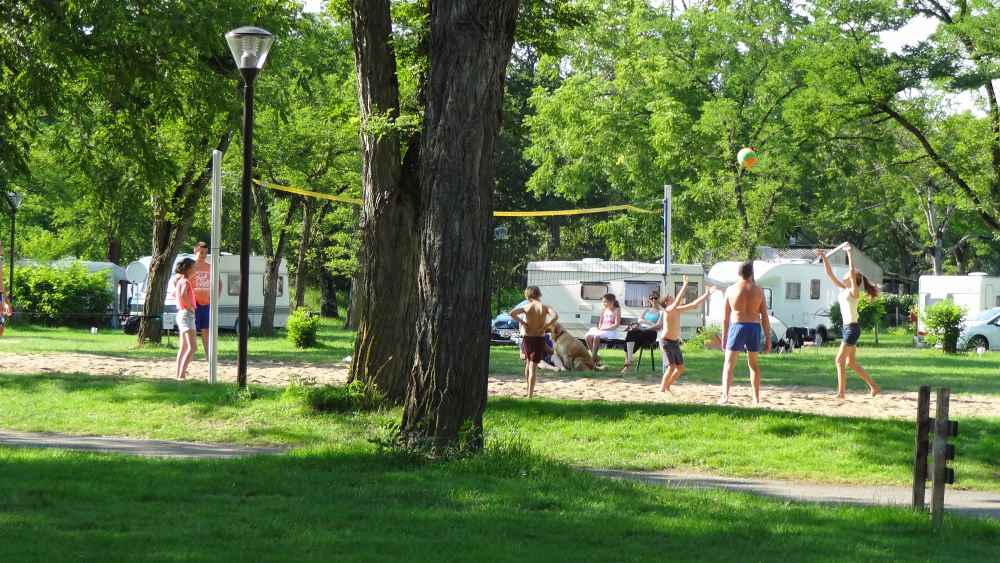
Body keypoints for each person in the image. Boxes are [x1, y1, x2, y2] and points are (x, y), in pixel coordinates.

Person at [817, 245, 881, 398]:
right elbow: (830, 274)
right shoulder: (843, 289)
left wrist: (850, 254)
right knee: (850, 363)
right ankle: (874, 387)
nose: (845, 274)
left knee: (839, 360)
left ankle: (841, 393)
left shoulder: (854, 292)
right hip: (848, 328)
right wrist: (825, 258)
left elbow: (852, 272)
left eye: (849, 275)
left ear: (853, 279)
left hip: (852, 329)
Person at [719, 261, 771, 405]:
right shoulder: (759, 291)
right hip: (754, 327)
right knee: (753, 364)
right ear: (751, 274)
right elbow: (765, 317)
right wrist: (768, 338)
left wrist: (723, 337)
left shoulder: (730, 290)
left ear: (739, 273)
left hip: (738, 326)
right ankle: (756, 398)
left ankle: (725, 396)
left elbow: (725, 318)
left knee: (729, 364)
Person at [660, 276, 717, 392]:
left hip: (674, 342)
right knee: (671, 367)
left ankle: (667, 386)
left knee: (680, 368)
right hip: (666, 341)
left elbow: (694, 304)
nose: (674, 298)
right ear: (667, 302)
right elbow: (677, 301)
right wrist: (685, 284)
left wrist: (707, 294)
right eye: (671, 298)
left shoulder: (677, 309)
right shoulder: (668, 310)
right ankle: (662, 390)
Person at [509, 286, 558, 398]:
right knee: (533, 367)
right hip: (538, 337)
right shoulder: (544, 307)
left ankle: (528, 390)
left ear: (527, 295)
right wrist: (545, 327)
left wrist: (523, 322)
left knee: (528, 364)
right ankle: (530, 395)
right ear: (539, 294)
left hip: (527, 338)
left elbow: (512, 313)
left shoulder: (527, 307)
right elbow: (555, 316)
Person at [621, 292, 662, 373]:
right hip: (642, 329)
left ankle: (628, 362)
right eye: (651, 298)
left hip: (651, 332)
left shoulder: (660, 311)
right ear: (649, 300)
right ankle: (629, 361)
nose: (653, 300)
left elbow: (658, 325)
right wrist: (647, 324)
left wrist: (647, 324)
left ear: (659, 299)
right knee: (630, 333)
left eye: (655, 298)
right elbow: (639, 320)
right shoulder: (646, 310)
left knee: (634, 335)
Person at [173, 258, 198, 381]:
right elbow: (183, 295)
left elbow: (177, 295)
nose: (195, 269)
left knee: (183, 347)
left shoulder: (180, 281)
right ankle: (182, 375)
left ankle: (179, 374)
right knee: (192, 347)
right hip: (186, 314)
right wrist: (190, 308)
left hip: (181, 314)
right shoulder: (186, 282)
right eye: (194, 267)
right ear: (188, 269)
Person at [585, 293, 621, 365]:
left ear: (612, 302)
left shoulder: (617, 310)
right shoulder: (603, 310)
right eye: (603, 302)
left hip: (611, 331)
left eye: (605, 302)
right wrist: (600, 327)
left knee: (596, 336)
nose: (603, 303)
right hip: (602, 330)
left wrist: (605, 329)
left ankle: (592, 359)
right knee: (587, 336)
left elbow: (616, 324)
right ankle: (595, 357)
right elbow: (600, 322)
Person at [192, 242, 213, 355]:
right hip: (193, 304)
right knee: (192, 331)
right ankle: (190, 355)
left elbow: (219, 283)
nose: (204, 254)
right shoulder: (190, 266)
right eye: (201, 252)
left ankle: (208, 356)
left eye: (205, 252)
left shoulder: (210, 267)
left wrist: (215, 299)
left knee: (206, 331)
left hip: (206, 304)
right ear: (195, 251)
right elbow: (177, 281)